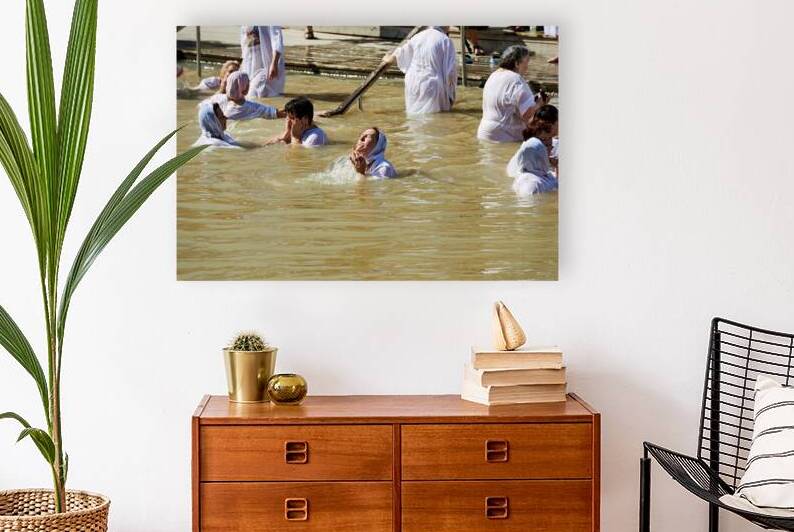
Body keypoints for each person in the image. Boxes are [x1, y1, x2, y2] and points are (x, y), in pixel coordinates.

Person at [382, 26, 457, 115]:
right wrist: (451, 95)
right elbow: (451, 73)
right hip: (432, 85)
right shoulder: (445, 40)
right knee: (433, 120)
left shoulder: (417, 37)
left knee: (413, 118)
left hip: (413, 84)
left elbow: (398, 55)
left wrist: (387, 57)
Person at [477, 45, 541, 142]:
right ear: (517, 63)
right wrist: (540, 104)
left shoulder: (493, 75)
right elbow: (527, 115)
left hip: (484, 133)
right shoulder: (516, 80)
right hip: (505, 136)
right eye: (526, 62)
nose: (527, 67)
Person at [507, 107, 559, 196]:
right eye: (545, 141)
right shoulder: (532, 184)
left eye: (549, 139)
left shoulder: (528, 150)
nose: (550, 147)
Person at [208, 71, 283, 121]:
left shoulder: (216, 98)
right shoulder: (252, 108)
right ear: (244, 89)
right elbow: (276, 113)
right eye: (248, 83)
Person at [241, 25, 285, 98]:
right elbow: (244, 42)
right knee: (252, 95)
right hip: (250, 65)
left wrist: (274, 63)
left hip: (267, 65)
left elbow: (277, 39)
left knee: (254, 95)